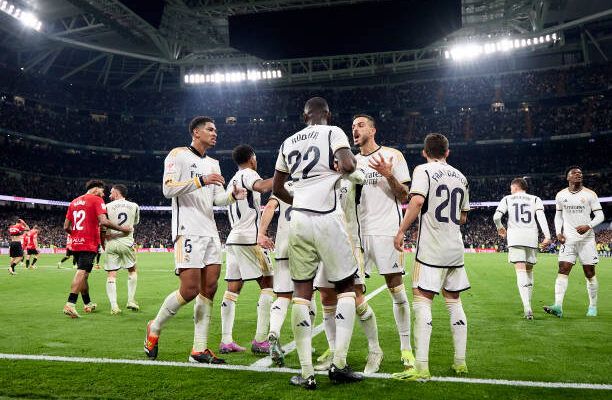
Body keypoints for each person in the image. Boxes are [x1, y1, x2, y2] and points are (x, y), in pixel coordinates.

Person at [273, 97, 363, 389]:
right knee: (346, 287)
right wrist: (346, 169)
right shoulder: (333, 131)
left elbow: (276, 188)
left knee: (301, 291)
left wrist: (298, 199)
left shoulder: (288, 142)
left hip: (297, 220)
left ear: (304, 116)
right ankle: (339, 364)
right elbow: (348, 164)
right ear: (327, 113)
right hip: (328, 217)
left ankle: (307, 373)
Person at [144, 116, 246, 364]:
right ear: (195, 132)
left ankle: (198, 349)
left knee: (209, 287)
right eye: (210, 129)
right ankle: (154, 327)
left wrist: (232, 196)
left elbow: (216, 199)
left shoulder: (214, 163)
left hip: (210, 231)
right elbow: (168, 189)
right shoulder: (177, 155)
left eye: (216, 130)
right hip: (186, 230)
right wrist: (200, 180)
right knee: (189, 290)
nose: (215, 133)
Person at [392, 133, 470, 381]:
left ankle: (422, 367)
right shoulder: (461, 176)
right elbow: (463, 217)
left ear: (424, 152)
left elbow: (416, 201)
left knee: (422, 301)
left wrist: (401, 230)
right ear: (448, 152)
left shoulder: (423, 170)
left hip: (431, 249)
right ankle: (460, 363)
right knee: (454, 302)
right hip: (455, 247)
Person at [352, 114, 414, 369]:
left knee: (396, 289)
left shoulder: (393, 155)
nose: (355, 129)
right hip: (356, 234)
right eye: (353, 126)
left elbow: (404, 196)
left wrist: (389, 175)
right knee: (353, 292)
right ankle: (374, 350)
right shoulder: (350, 161)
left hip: (386, 230)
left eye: (361, 125)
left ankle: (406, 348)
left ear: (373, 130)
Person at [313, 161, 383, 374]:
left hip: (350, 242)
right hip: (324, 243)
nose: (334, 162)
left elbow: (360, 178)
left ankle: (375, 350)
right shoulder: (320, 178)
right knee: (326, 297)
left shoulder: (353, 173)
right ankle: (334, 351)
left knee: (356, 298)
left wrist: (346, 168)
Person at [219, 145, 274, 355]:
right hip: (249, 238)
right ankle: (260, 340)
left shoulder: (233, 178)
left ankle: (226, 340)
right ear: (252, 158)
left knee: (233, 288)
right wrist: (281, 178)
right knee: (268, 283)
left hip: (233, 239)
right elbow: (261, 186)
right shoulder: (249, 173)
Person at [63, 180, 132, 318]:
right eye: (102, 191)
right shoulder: (96, 200)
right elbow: (104, 221)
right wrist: (123, 229)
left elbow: (66, 226)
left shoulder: (74, 202)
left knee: (84, 275)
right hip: (89, 243)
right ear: (96, 189)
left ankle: (87, 303)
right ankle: (70, 304)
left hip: (76, 243)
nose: (104, 194)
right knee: (82, 273)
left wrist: (76, 235)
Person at [543, 166, 605, 318]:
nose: (578, 175)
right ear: (568, 178)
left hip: (587, 240)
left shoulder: (590, 194)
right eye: (574, 173)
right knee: (563, 269)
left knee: (589, 273)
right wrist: (558, 232)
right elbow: (558, 216)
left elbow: (600, 216)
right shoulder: (560, 195)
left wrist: (588, 226)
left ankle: (593, 306)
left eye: (580, 173)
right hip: (568, 240)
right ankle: (558, 306)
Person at [493, 178, 551, 319]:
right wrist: (547, 236)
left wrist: (500, 227)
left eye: (511, 187)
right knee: (529, 271)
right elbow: (541, 217)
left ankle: (527, 307)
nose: (510, 190)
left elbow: (496, 217)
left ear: (515, 187)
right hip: (531, 237)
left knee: (520, 271)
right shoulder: (535, 199)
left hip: (515, 238)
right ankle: (529, 304)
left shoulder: (507, 199)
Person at [104, 184, 141, 315]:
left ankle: (114, 306)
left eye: (111, 192)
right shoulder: (135, 206)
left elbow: (103, 224)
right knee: (132, 270)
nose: (109, 194)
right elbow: (134, 223)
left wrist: (111, 235)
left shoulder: (107, 207)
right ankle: (130, 300)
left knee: (111, 273)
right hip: (127, 242)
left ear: (116, 193)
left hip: (111, 243)